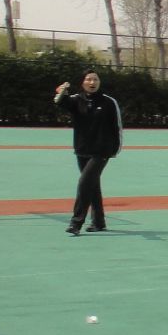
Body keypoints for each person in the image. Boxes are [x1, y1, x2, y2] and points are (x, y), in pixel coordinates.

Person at [53, 70, 122, 235]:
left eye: (95, 79)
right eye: (89, 79)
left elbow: (117, 127)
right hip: (82, 150)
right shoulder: (76, 100)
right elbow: (61, 102)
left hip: (102, 152)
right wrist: (61, 91)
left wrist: (114, 149)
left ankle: (76, 223)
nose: (92, 82)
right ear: (83, 82)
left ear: (99, 82)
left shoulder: (109, 102)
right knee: (92, 185)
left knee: (84, 183)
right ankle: (99, 222)